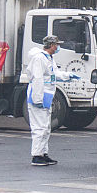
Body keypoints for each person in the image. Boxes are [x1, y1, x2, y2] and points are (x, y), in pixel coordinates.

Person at [26, 35, 74, 166]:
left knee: (46, 127)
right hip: (39, 97)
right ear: (52, 45)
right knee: (39, 127)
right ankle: (36, 155)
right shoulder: (39, 58)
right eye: (57, 45)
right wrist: (37, 99)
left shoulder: (48, 58)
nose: (58, 47)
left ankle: (43, 153)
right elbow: (37, 79)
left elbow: (54, 74)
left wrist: (67, 76)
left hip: (46, 97)